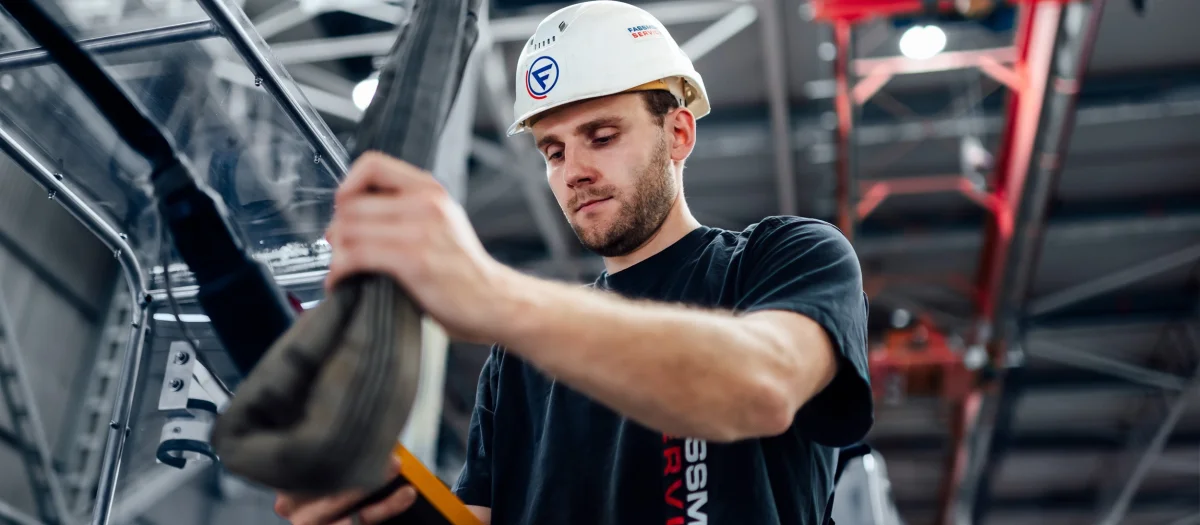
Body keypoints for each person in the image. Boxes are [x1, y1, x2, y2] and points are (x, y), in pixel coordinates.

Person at [273, 1, 873, 524]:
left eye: (602, 136)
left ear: (679, 134)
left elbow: (765, 385)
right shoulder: (518, 360)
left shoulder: (783, 259)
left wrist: (493, 297)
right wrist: (376, 501)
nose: (573, 171)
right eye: (552, 151)